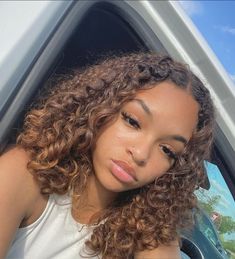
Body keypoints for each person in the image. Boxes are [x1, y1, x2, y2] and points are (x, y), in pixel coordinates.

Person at [0, 53, 215, 258]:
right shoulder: (25, 171)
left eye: (167, 150)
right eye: (132, 121)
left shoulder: (147, 226)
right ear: (100, 105)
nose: (140, 154)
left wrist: (159, 233)